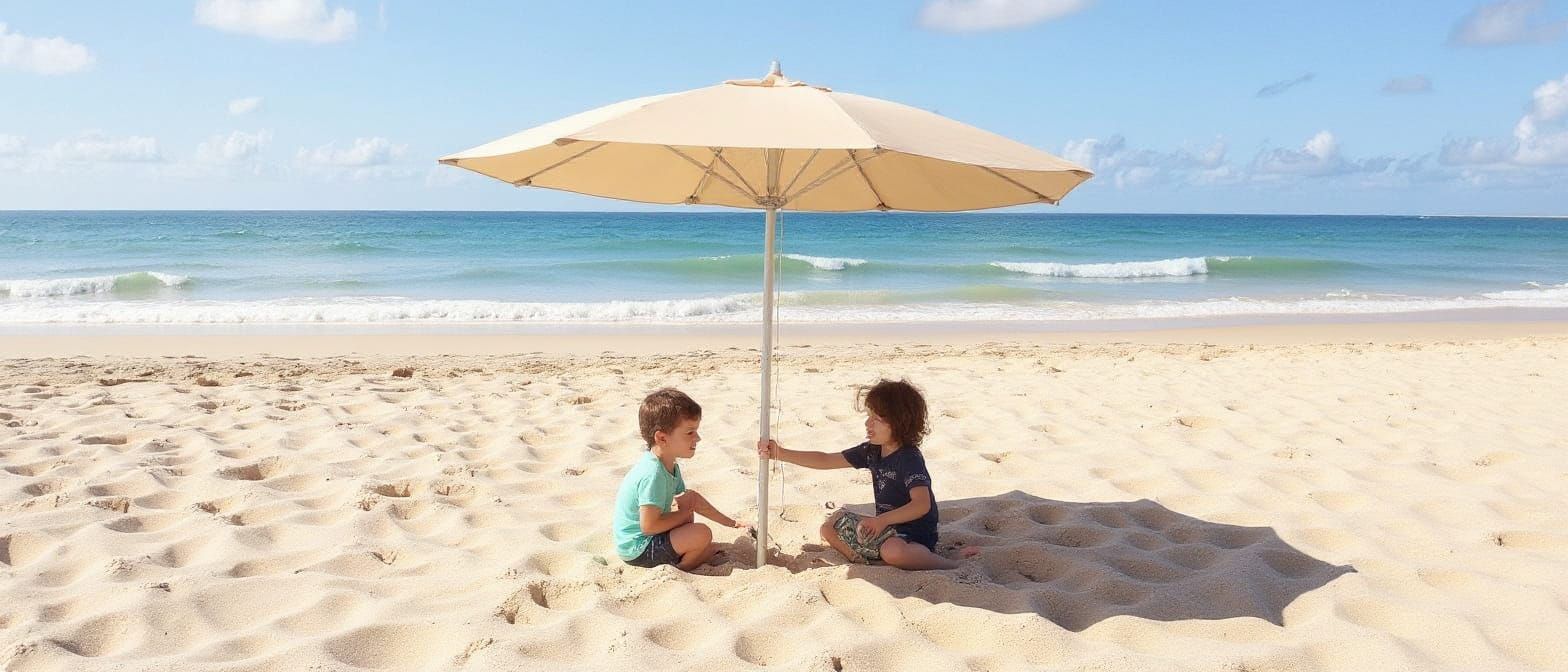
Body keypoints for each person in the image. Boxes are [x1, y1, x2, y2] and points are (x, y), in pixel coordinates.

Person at [758, 379, 971, 570]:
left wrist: (881, 521)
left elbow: (921, 505)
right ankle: (860, 559)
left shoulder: (909, 458)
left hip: (914, 535)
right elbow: (826, 460)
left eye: (876, 419)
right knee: (829, 526)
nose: (868, 424)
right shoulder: (871, 451)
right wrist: (781, 453)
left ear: (900, 422)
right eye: (869, 416)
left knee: (893, 551)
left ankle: (948, 563)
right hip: (884, 528)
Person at [613, 388, 745, 570]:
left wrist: (732, 523)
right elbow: (648, 526)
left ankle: (692, 553)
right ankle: (684, 568)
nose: (697, 438)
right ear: (662, 438)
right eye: (690, 432)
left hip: (647, 539)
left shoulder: (669, 464)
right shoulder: (653, 474)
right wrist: (684, 514)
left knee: (689, 507)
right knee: (702, 533)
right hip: (638, 550)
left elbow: (691, 500)